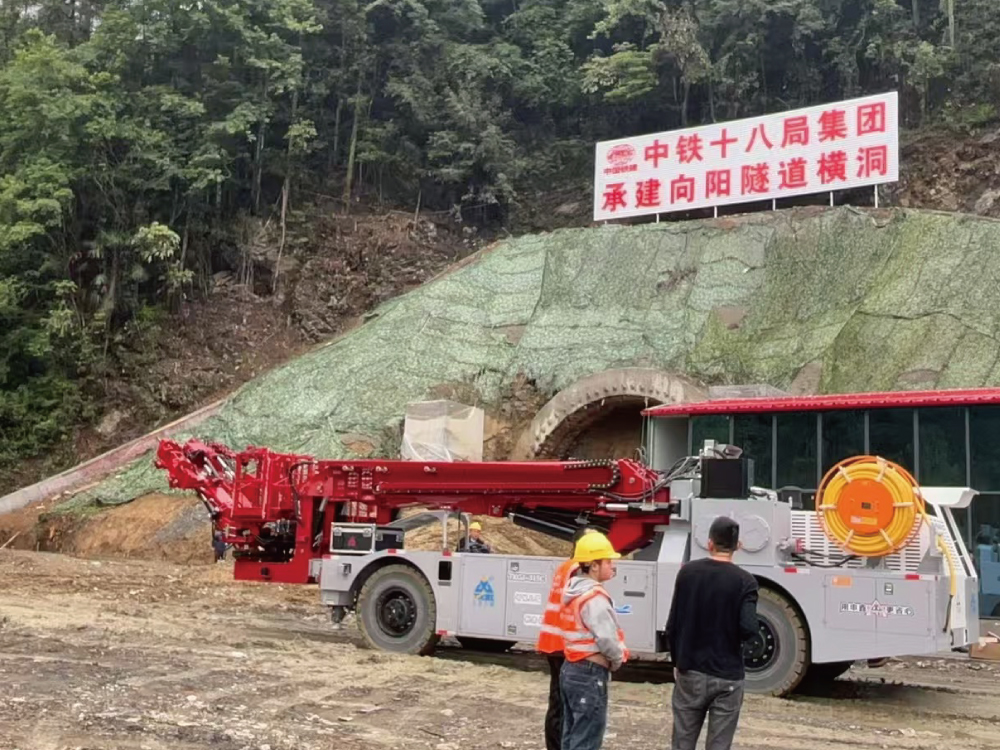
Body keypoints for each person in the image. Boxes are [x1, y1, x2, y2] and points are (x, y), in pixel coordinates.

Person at [665, 516, 758, 750]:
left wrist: (677, 661)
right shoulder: (745, 582)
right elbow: (748, 629)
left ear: (709, 543)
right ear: (738, 546)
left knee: (682, 742)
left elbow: (673, 624)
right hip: (727, 675)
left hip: (690, 670)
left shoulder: (688, 573)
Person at [558, 531, 629, 750]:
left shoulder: (573, 591)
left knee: (572, 735)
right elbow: (607, 638)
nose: (612, 566)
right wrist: (616, 660)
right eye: (608, 561)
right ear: (594, 565)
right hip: (589, 673)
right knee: (586, 739)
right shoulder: (594, 597)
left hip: (571, 669)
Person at [537, 527, 601, 750]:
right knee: (564, 705)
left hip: (553, 641)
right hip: (564, 644)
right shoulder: (576, 571)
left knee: (557, 701)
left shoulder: (565, 567)